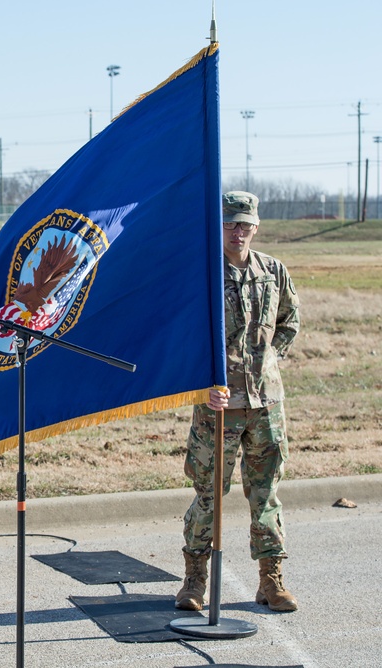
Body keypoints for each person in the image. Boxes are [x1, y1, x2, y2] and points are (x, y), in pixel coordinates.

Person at [176, 191, 301, 613]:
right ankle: (194, 580)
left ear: (256, 225)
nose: (237, 231)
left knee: (265, 494)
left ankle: (271, 580)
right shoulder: (202, 275)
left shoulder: (274, 272)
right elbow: (183, 340)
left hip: (266, 404)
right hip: (217, 406)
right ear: (218, 227)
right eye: (229, 223)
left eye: (244, 223)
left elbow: (290, 321)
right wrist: (201, 383)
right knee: (209, 494)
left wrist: (266, 361)